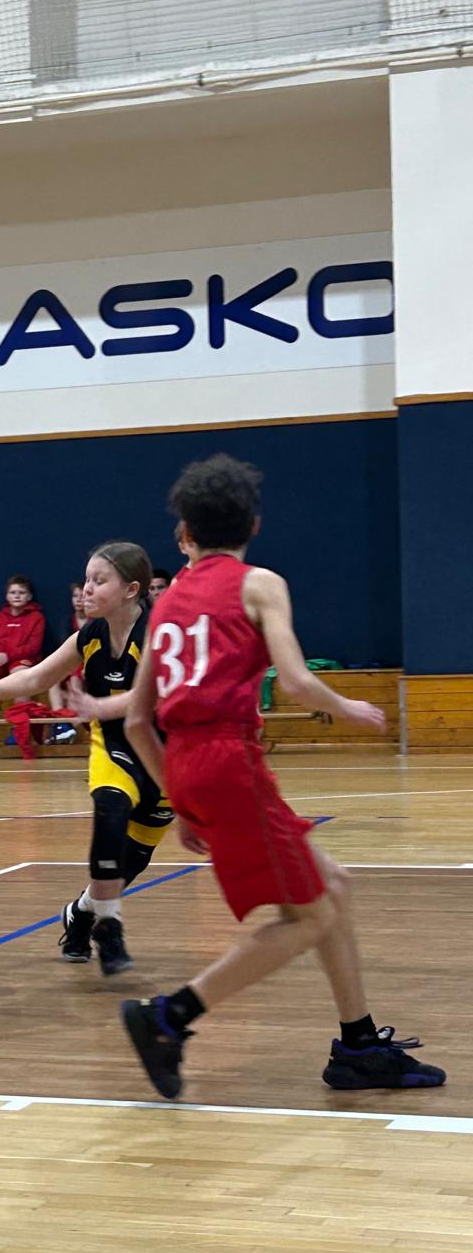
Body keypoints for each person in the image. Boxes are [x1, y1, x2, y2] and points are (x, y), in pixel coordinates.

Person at [118, 453, 446, 1098]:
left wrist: (180, 803)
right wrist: (348, 707)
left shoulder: (168, 601)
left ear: (188, 529)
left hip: (184, 763)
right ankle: (169, 1017)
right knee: (310, 916)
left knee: (334, 887)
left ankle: (358, 1045)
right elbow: (294, 680)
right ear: (254, 524)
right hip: (228, 762)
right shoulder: (259, 583)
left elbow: (135, 721)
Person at [0, 543, 174, 975]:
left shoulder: (157, 634)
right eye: (87, 579)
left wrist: (98, 706)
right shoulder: (90, 636)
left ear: (131, 590)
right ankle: (109, 929)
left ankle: (80, 913)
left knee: (132, 862)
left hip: (164, 755)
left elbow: (150, 698)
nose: (87, 589)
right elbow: (37, 677)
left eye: (99, 581)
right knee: (110, 810)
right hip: (113, 745)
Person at [0, 575, 46, 680]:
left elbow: (33, 647)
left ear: (29, 596)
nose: (17, 596)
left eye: (22, 593)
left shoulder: (37, 617)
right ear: (7, 596)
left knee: (20, 677)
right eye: (13, 592)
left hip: (22, 660)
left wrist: (8, 656)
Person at [48, 579, 86, 741]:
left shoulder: (97, 621)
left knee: (75, 683)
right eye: (75, 596)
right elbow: (66, 649)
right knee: (53, 681)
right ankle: (60, 723)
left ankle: (70, 725)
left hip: (89, 664)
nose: (78, 600)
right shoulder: (67, 621)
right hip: (72, 662)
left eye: (82, 596)